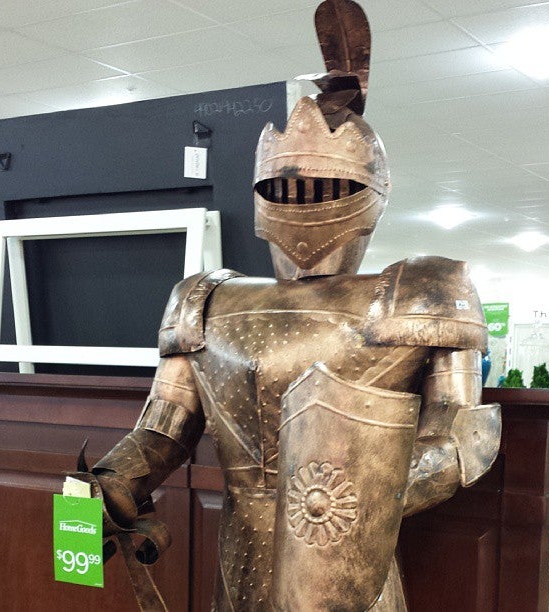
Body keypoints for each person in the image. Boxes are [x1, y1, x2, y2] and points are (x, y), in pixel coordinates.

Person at [81, 1, 501, 609]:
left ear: (371, 193)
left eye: (327, 187)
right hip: (241, 552)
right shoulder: (203, 300)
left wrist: (354, 498)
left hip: (349, 562)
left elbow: (462, 438)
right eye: (285, 187)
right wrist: (116, 480)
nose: (304, 201)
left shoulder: (421, 290)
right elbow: (163, 429)